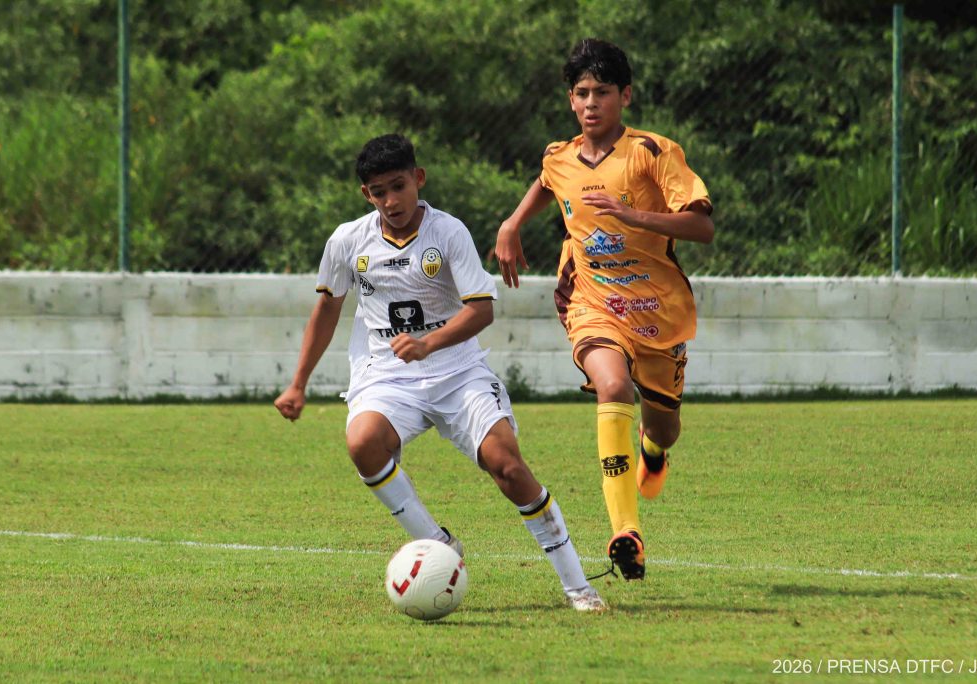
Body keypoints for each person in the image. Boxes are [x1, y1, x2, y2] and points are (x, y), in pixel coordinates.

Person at [275, 133, 605, 612]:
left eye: (398, 186)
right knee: (362, 443)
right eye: (378, 192)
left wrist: (427, 343)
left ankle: (579, 587)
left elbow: (481, 310)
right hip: (386, 374)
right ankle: (437, 544)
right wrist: (298, 383)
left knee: (508, 467)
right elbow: (327, 310)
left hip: (458, 370)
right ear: (366, 194)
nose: (391, 201)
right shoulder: (347, 240)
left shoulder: (448, 232)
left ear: (419, 178)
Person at [495, 39, 714, 581]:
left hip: (658, 311)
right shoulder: (560, 156)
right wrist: (512, 223)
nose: (591, 103)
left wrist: (634, 216)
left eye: (603, 92)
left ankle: (653, 450)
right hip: (591, 301)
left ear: (626, 96)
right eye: (582, 93)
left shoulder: (653, 152)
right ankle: (626, 532)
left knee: (665, 426)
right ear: (571, 99)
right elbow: (549, 181)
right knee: (612, 386)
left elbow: (702, 226)